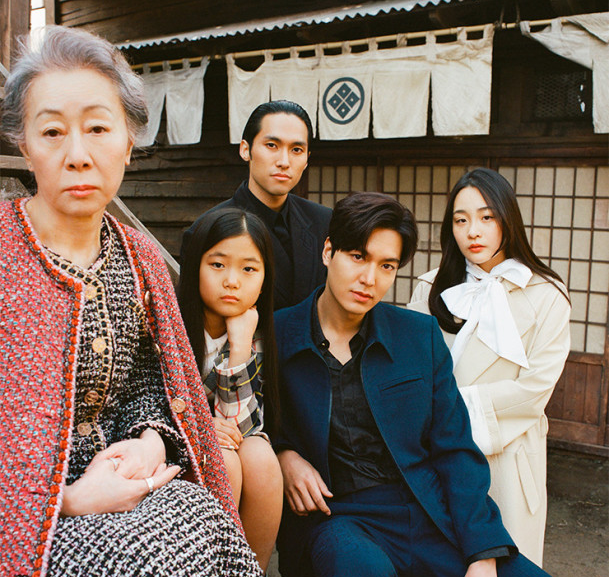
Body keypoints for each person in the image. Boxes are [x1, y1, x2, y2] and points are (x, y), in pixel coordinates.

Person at [0, 26, 262, 577]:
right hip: (28, 519)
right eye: (52, 132)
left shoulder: (138, 257)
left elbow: (150, 381)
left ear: (128, 141)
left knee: (206, 522)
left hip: (130, 480)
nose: (77, 155)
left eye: (98, 128)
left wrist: (151, 442)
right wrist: (65, 500)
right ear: (23, 144)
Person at [272, 192, 554, 577]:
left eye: (386, 265)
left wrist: (482, 553)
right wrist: (283, 456)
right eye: (358, 257)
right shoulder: (278, 334)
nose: (369, 279)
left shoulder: (418, 336)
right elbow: (246, 423)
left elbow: (455, 449)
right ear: (327, 252)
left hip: (426, 513)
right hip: (337, 517)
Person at [408, 167, 570, 565]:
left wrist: (450, 411)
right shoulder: (430, 288)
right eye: (461, 220)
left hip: (508, 460)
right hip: (433, 457)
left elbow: (534, 391)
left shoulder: (547, 294)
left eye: (486, 217)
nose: (473, 231)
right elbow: (409, 377)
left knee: (505, 564)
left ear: (507, 219)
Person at [177, 207, 283, 571]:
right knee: (225, 462)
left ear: (264, 279)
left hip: (229, 441)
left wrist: (239, 347)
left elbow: (242, 429)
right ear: (195, 266)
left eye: (249, 269)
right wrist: (200, 424)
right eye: (218, 265)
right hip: (172, 444)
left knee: (261, 458)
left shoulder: (257, 335)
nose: (232, 281)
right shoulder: (168, 323)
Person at [181, 100, 332, 310]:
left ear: (306, 159)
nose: (284, 161)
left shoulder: (324, 221)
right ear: (246, 150)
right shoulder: (206, 229)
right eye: (272, 145)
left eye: (296, 149)